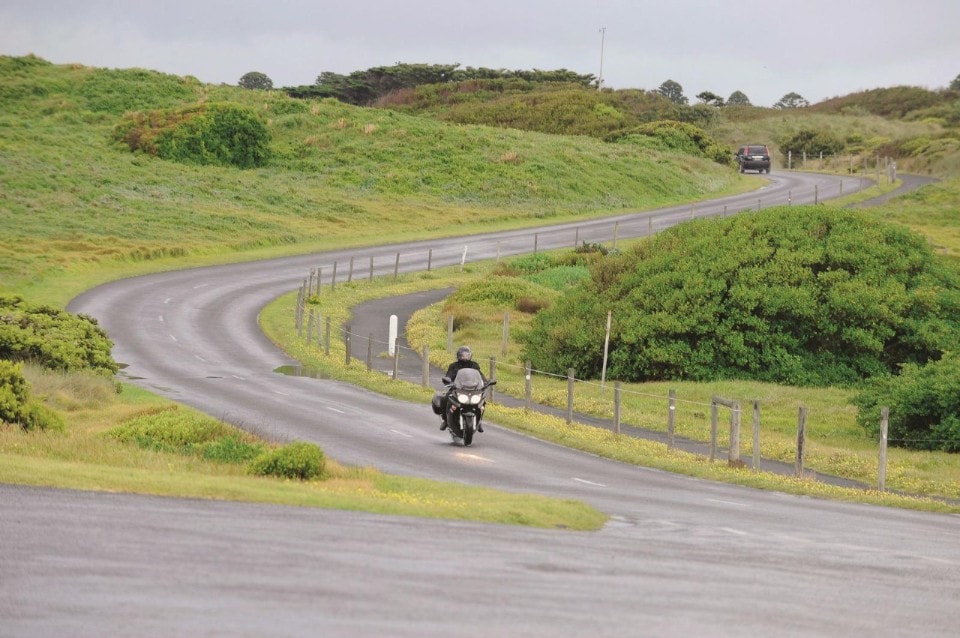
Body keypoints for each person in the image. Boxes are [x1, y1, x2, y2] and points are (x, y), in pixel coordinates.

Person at [438, 346, 487, 431]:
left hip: (473, 389)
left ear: (470, 355)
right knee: (445, 399)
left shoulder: (474, 365)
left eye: (467, 355)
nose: (465, 357)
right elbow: (449, 375)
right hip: (457, 388)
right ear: (458, 356)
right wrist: (448, 380)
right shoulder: (453, 365)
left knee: (482, 402)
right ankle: (445, 421)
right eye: (462, 355)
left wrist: (486, 382)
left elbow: (480, 375)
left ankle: (479, 422)